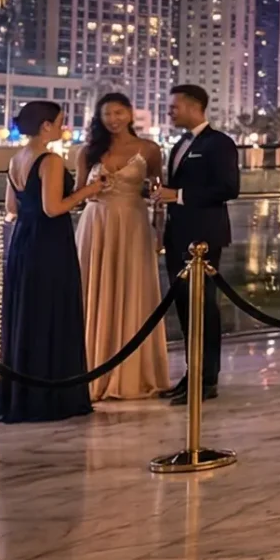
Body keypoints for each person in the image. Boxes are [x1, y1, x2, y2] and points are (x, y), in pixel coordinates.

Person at [0, 100, 102, 423]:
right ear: (46, 127)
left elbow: (12, 207)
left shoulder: (16, 160)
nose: (63, 127)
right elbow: (53, 208)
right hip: (49, 244)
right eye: (60, 122)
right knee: (51, 312)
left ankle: (23, 394)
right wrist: (91, 189)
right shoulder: (50, 160)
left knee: (27, 313)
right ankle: (52, 396)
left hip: (23, 242)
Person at [76, 92, 169, 402]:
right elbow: (78, 195)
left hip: (132, 225)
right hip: (96, 225)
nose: (113, 119)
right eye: (107, 115)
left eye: (118, 113)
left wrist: (160, 235)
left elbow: (159, 195)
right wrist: (94, 188)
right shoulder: (88, 152)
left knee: (132, 292)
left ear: (130, 114)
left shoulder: (149, 150)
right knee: (93, 292)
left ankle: (131, 374)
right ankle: (89, 370)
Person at [155, 84, 238, 403]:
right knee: (185, 309)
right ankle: (191, 374)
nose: (170, 112)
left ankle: (207, 379)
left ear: (194, 107)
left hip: (204, 238)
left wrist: (178, 195)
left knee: (204, 309)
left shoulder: (219, 143)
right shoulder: (179, 144)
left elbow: (229, 188)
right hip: (178, 236)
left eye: (174, 107)